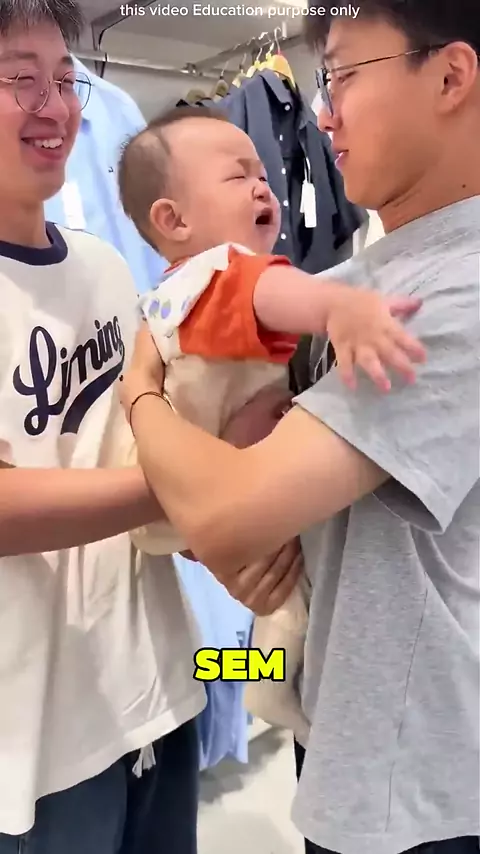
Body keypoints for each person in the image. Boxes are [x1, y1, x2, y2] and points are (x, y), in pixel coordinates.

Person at [119, 2, 480, 854]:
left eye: (343, 75)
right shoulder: (365, 278)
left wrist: (140, 390)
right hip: (353, 725)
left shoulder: (446, 293)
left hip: (417, 779)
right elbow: (233, 519)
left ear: (450, 76)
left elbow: (226, 513)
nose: (323, 114)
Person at [0, 1, 302, 852]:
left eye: (66, 81)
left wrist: (219, 526)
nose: (55, 107)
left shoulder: (103, 266)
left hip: (163, 689)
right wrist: (196, 486)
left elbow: (146, 434)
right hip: (43, 741)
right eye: (21, 81)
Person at [115, 105, 424, 741]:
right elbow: (274, 294)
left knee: (273, 600)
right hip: (207, 482)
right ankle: (277, 697)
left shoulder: (172, 293)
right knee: (288, 607)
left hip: (169, 484)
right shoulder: (223, 272)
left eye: (261, 173)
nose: (263, 187)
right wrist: (339, 308)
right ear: (173, 220)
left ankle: (256, 681)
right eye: (238, 177)